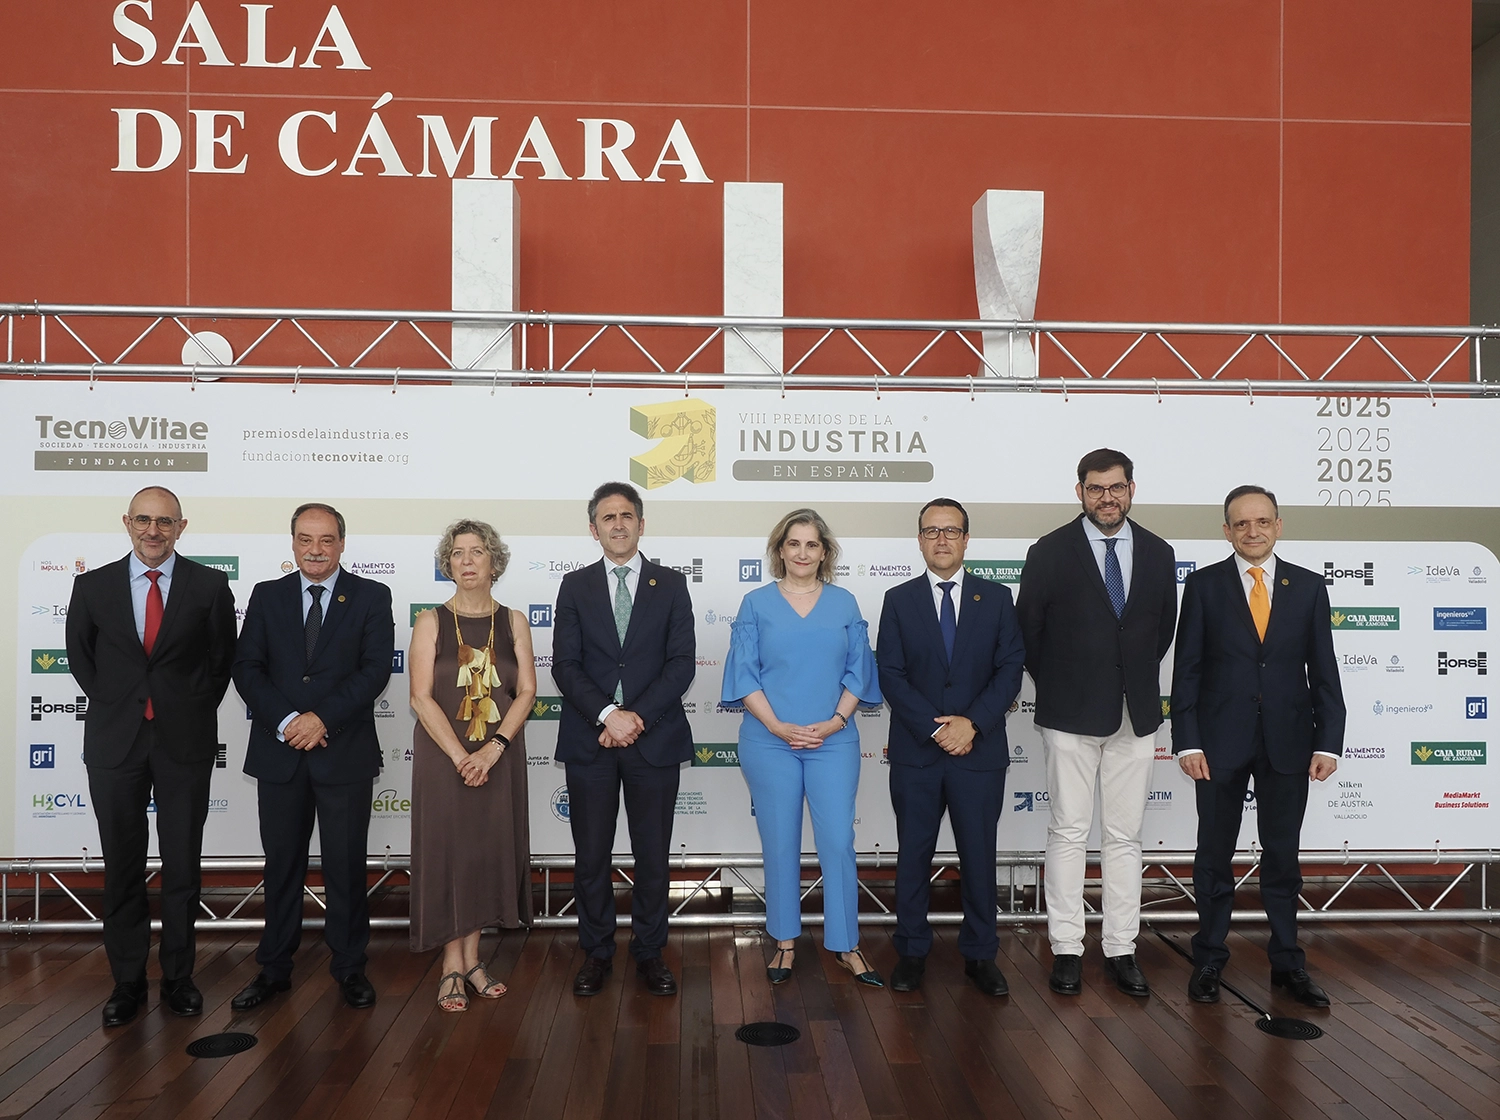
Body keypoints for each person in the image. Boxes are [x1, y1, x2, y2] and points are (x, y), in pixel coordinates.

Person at [65, 486, 236, 1027]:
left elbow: (220, 662)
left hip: (184, 742)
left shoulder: (210, 585)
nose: (153, 530)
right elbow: (81, 659)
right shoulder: (91, 586)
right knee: (122, 866)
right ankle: (128, 981)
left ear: (182, 527)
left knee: (183, 864)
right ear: (127, 522)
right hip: (115, 744)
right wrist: (123, 705)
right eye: (143, 520)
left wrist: (180, 708)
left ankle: (179, 978)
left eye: (165, 522)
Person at [1172, 486, 1344, 1008]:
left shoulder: (1310, 588)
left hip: (1290, 743)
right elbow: (1188, 671)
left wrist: (1330, 743)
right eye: (1241, 523)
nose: (1252, 531)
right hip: (1219, 744)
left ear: (1278, 525)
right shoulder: (1202, 587)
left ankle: (1288, 963)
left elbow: (1325, 671)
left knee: (1283, 859)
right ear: (1226, 530)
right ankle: (1208, 960)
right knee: (1213, 857)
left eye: (1262, 521)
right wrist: (1187, 741)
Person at [1016, 448, 1178, 998]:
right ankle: (1066, 946)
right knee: (1066, 831)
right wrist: (1063, 684)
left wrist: (1127, 679)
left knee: (1124, 837)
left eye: (1116, 487)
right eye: (1095, 488)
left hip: (1137, 714)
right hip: (1068, 714)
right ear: (1079, 491)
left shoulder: (1159, 553)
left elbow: (1161, 634)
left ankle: (1121, 948)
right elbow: (1029, 635)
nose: (1106, 497)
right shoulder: (1049, 551)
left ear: (1132, 489)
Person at [230, 503, 395, 1011]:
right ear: (293, 543)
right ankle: (274, 968)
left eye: (325, 540)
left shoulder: (371, 595)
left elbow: (374, 671)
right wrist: (287, 722)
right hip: (280, 754)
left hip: (342, 751)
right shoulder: (266, 595)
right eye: (305, 539)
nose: (315, 549)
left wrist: (321, 719)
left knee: (346, 866)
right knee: (282, 865)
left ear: (342, 543)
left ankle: (349, 967)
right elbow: (247, 668)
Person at [723, 509, 884, 988]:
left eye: (811, 545)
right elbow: (744, 675)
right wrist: (778, 726)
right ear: (779, 550)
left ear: (824, 552)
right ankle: (785, 943)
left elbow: (859, 672)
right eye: (793, 543)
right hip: (769, 741)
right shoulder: (754, 603)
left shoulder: (845, 603)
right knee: (780, 842)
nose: (802, 552)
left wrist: (834, 722)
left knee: (837, 841)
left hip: (833, 741)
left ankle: (847, 944)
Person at [877, 498, 1026, 996]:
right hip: (918, 752)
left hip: (978, 752)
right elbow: (891, 675)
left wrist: (972, 724)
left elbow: (1010, 672)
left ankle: (981, 955)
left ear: (966, 539)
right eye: (931, 531)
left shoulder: (997, 597)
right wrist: (937, 728)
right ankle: (912, 951)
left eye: (952, 531)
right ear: (919, 540)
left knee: (979, 856)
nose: (942, 540)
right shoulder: (898, 600)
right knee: (913, 855)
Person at [552, 481, 695, 997]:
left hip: (653, 739)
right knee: (591, 855)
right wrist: (608, 715)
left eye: (627, 515)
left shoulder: (672, 584)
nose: (618, 524)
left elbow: (682, 665)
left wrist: (635, 717)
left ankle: (651, 951)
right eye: (607, 517)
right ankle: (596, 952)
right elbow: (565, 666)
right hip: (591, 740)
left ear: (641, 523)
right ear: (594, 529)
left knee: (653, 856)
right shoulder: (574, 586)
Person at [409, 520, 536, 1011]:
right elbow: (420, 697)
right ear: (448, 563)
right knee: (449, 856)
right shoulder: (431, 621)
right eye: (457, 553)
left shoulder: (516, 621)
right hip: (447, 759)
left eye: (476, 551)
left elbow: (526, 691)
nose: (466, 560)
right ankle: (451, 966)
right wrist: (464, 757)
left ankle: (474, 960)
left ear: (494, 562)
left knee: (484, 856)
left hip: (498, 755)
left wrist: (494, 748)